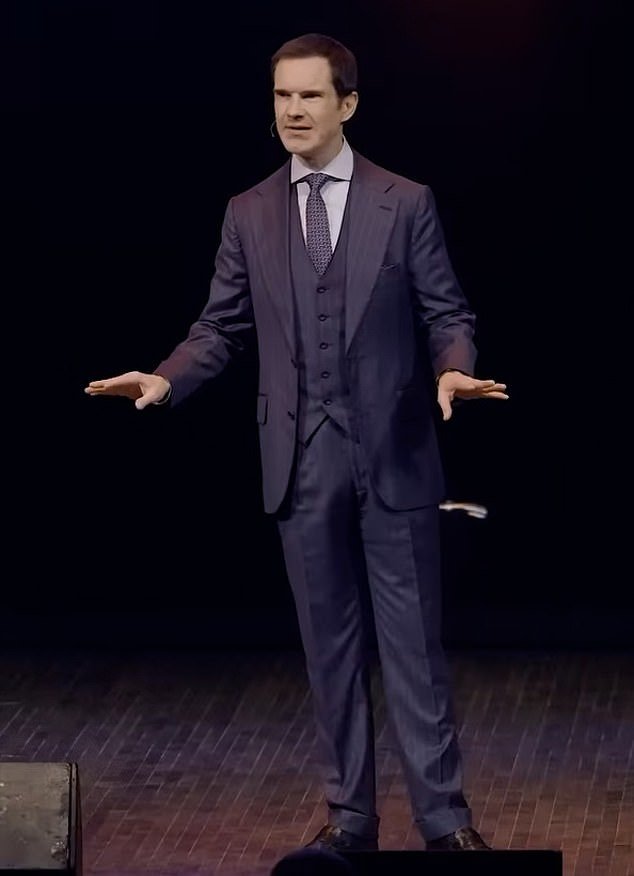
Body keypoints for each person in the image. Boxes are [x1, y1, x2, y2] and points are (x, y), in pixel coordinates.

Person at [85, 33, 508, 853]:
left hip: (394, 455)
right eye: (282, 96)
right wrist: (167, 380)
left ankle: (445, 821)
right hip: (301, 459)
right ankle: (350, 819)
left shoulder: (404, 201)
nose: (293, 110)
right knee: (330, 650)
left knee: (414, 649)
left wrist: (454, 368)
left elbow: (446, 310)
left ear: (347, 104)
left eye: (310, 95)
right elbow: (220, 326)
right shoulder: (248, 212)